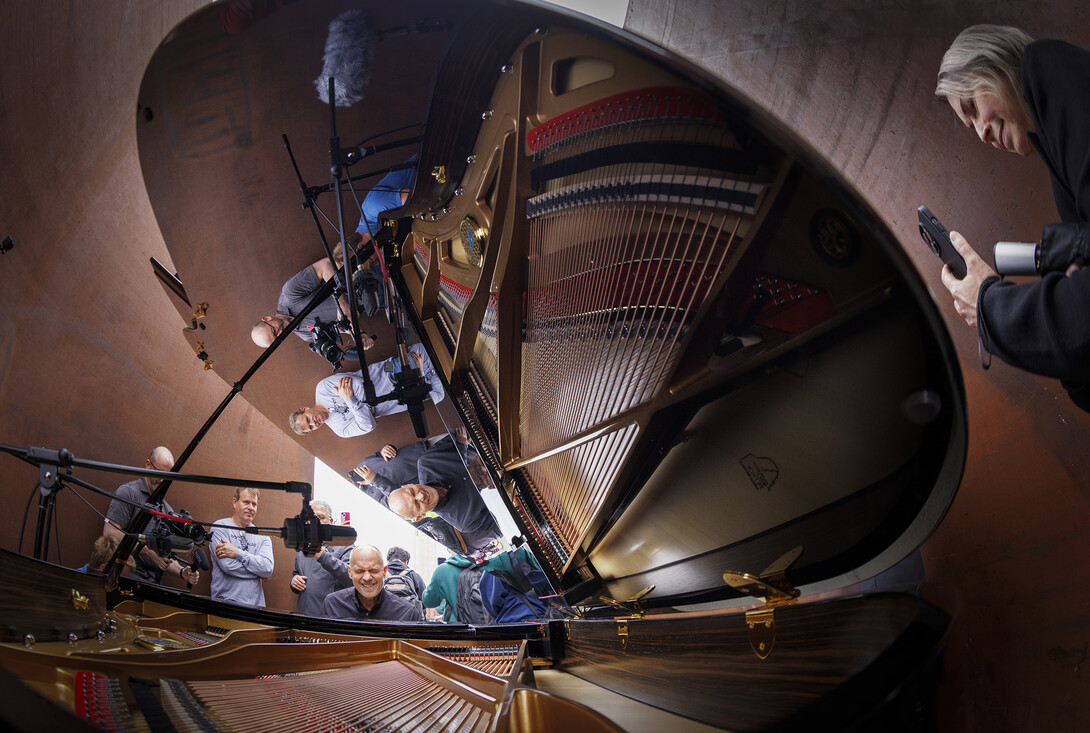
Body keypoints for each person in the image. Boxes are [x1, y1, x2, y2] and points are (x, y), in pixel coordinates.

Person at [935, 25, 1090, 411]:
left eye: (973, 108)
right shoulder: (1057, 149)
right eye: (970, 128)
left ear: (993, 65)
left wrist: (988, 305)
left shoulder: (1045, 65)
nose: (983, 134)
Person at [289, 343, 444, 437]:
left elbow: (360, 385)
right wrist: (349, 399)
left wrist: (365, 412)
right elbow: (368, 426)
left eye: (308, 419)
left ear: (305, 409)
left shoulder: (322, 389)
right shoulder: (340, 430)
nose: (313, 423)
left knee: (435, 350)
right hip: (404, 397)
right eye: (311, 428)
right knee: (446, 383)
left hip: (389, 370)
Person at [102, 446, 200, 587]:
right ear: (148, 465)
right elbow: (110, 533)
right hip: (124, 578)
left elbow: (166, 558)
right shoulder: (128, 493)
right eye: (159, 473)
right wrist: (148, 552)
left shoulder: (167, 510)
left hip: (152, 585)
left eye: (168, 477)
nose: (162, 480)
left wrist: (182, 571)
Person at [387, 434, 501, 551]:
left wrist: (463, 444)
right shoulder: (465, 521)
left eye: (412, 492)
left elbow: (462, 432)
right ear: (420, 516)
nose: (421, 495)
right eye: (417, 504)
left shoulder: (428, 462)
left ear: (408, 485)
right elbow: (505, 521)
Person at [251, 251, 376, 352]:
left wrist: (342, 304)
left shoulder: (289, 294)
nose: (280, 334)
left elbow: (325, 265)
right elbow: (343, 327)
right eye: (277, 340)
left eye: (274, 331)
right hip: (372, 303)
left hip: (363, 276)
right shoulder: (306, 335)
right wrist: (360, 335)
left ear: (266, 319)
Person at [210, 488, 274, 607]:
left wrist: (238, 553)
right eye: (246, 502)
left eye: (254, 504)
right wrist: (258, 572)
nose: (251, 507)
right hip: (225, 604)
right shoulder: (220, 528)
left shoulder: (263, 536)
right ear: (235, 502)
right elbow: (228, 566)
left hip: (255, 608)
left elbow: (267, 568)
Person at [320, 546, 421, 621]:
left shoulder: (407, 613)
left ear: (384, 571)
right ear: (350, 572)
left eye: (373, 571)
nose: (367, 578)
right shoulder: (333, 605)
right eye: (359, 571)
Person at [289, 500, 353, 615]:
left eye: (321, 517)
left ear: (331, 521)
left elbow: (352, 577)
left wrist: (323, 556)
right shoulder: (302, 548)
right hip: (305, 617)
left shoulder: (344, 546)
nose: (315, 522)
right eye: (311, 518)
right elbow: (297, 573)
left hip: (332, 619)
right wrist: (294, 581)